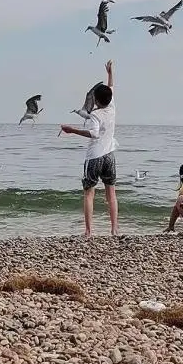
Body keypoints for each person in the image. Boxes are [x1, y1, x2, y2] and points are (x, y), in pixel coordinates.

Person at [60, 60, 118, 237]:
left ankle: (88, 231)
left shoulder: (95, 114)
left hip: (94, 156)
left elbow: (93, 134)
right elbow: (111, 87)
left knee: (89, 194)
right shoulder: (112, 106)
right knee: (111, 194)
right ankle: (114, 229)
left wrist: (72, 130)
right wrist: (110, 73)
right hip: (110, 155)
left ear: (96, 100)